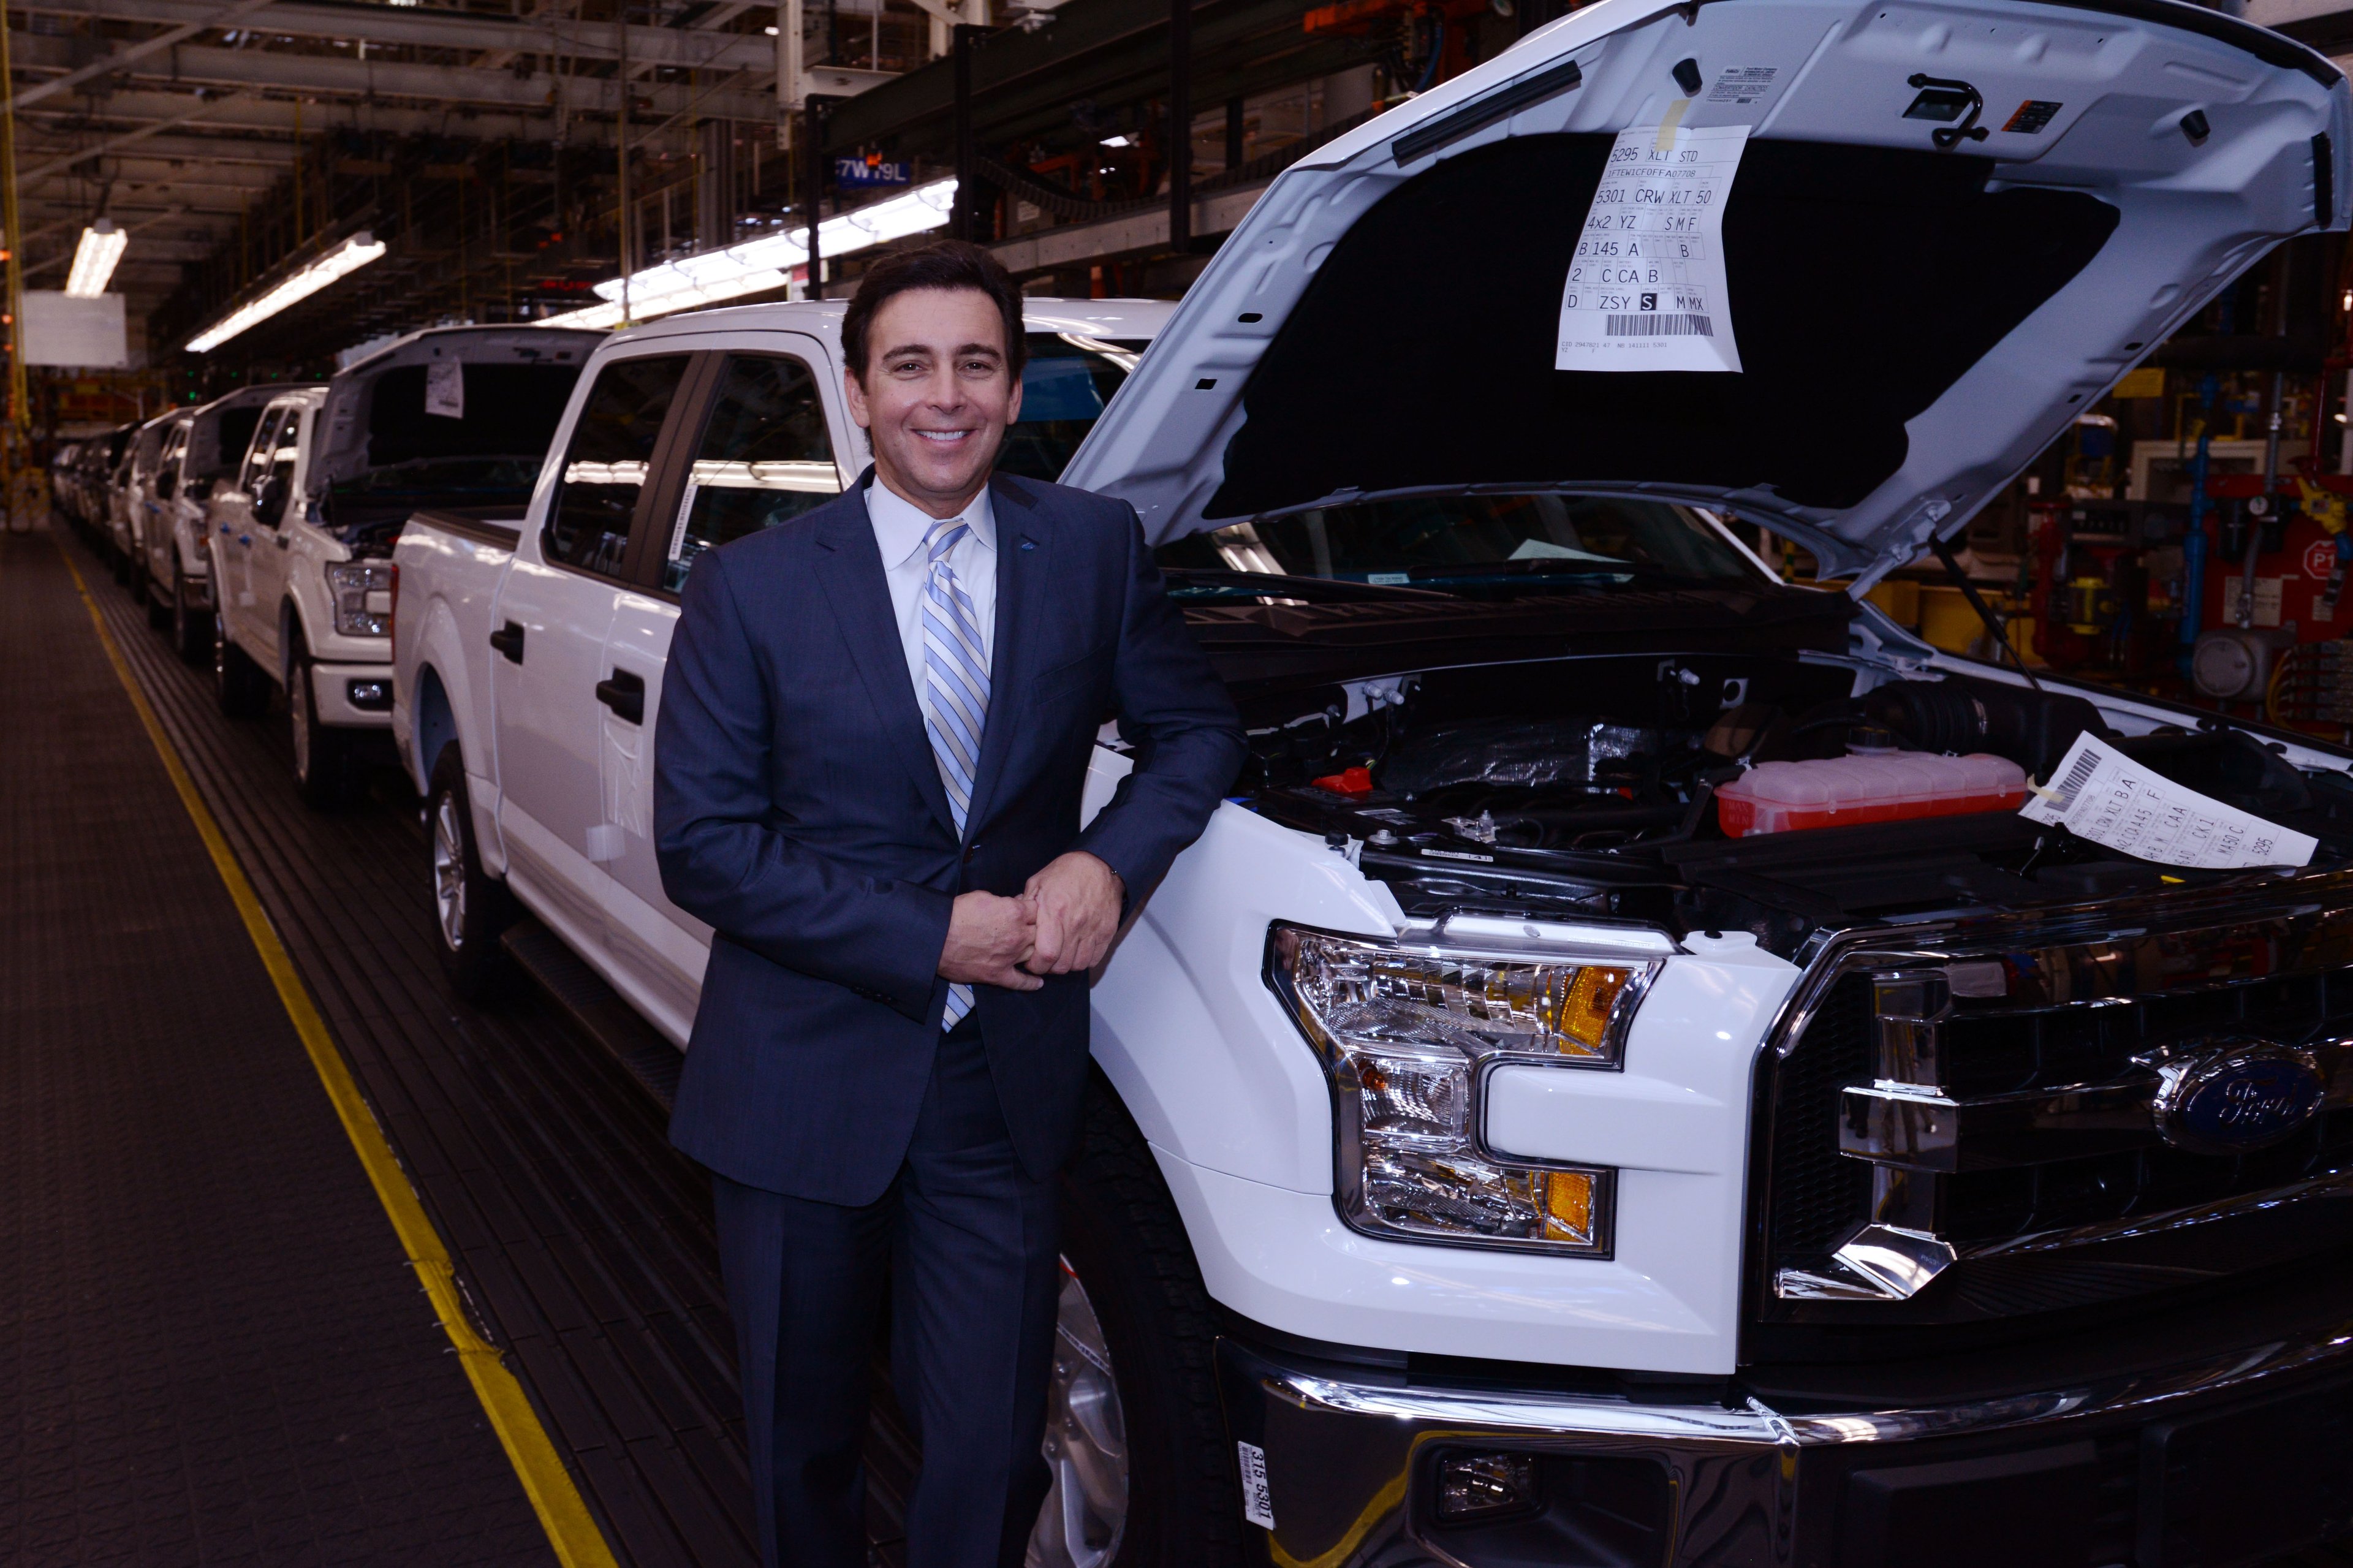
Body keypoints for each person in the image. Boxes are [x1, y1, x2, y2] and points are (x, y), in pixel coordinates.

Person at [653, 240, 1244, 1568]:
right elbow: (706, 844)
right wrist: (934, 933)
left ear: (1016, 384)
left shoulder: (1090, 546)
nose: (946, 395)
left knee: (986, 1450)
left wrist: (1108, 858)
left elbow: (1196, 732)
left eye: (977, 363)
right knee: (803, 1446)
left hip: (1000, 1082)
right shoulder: (754, 586)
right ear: (859, 393)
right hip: (802, 1083)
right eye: (909, 364)